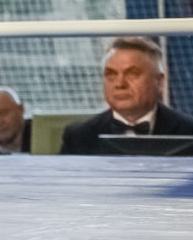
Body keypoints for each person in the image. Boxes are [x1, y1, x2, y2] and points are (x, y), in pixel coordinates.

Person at [61, 37, 193, 154]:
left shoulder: (188, 131)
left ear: (159, 82)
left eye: (132, 74)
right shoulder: (78, 136)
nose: (120, 84)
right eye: (111, 74)